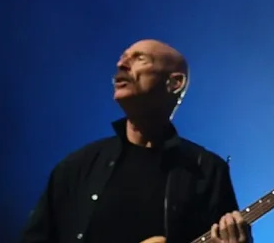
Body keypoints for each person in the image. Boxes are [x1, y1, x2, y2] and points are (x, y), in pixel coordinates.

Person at [18, 40, 249, 243]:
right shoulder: (77, 166)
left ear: (175, 83)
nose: (121, 65)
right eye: (122, 58)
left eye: (139, 58)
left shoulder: (207, 170)